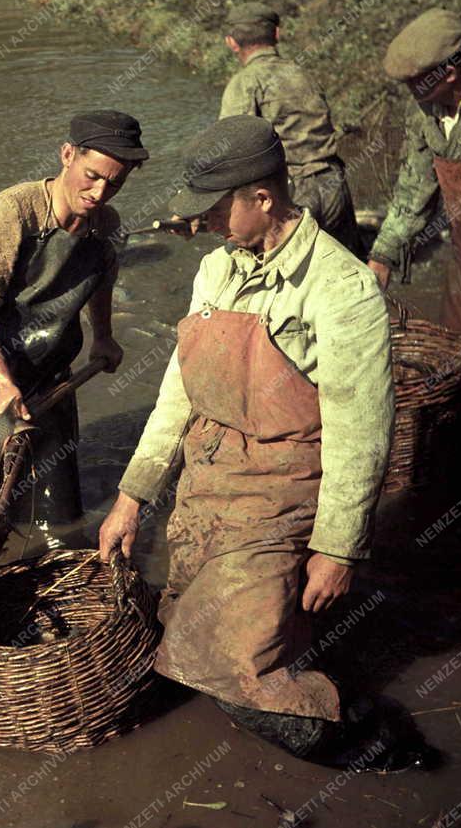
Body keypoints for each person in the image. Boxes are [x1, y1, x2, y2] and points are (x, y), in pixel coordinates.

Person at [98, 116, 404, 765]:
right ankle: (295, 641)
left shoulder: (342, 288)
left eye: (214, 210)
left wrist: (337, 547)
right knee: (181, 630)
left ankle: (372, 744)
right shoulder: (216, 270)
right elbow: (178, 394)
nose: (201, 225)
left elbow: (362, 430)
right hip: (211, 485)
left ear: (261, 199)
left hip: (284, 487)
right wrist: (132, 496)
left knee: (232, 667)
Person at [0, 111, 147, 527]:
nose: (100, 192)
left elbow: (103, 279)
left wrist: (103, 336)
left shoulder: (106, 226)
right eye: (92, 175)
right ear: (67, 155)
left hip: (50, 371)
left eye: (115, 183)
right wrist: (3, 381)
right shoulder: (9, 214)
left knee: (57, 512)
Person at [367, 8, 461, 370]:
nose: (410, 92)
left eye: (415, 81)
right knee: (455, 366)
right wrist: (384, 254)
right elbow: (414, 185)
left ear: (450, 73)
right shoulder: (427, 110)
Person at [220, 2, 362, 255]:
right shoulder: (302, 73)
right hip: (334, 183)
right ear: (276, 34)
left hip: (290, 192)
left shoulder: (244, 83)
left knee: (279, 278)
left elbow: (232, 153)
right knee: (345, 268)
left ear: (231, 42)